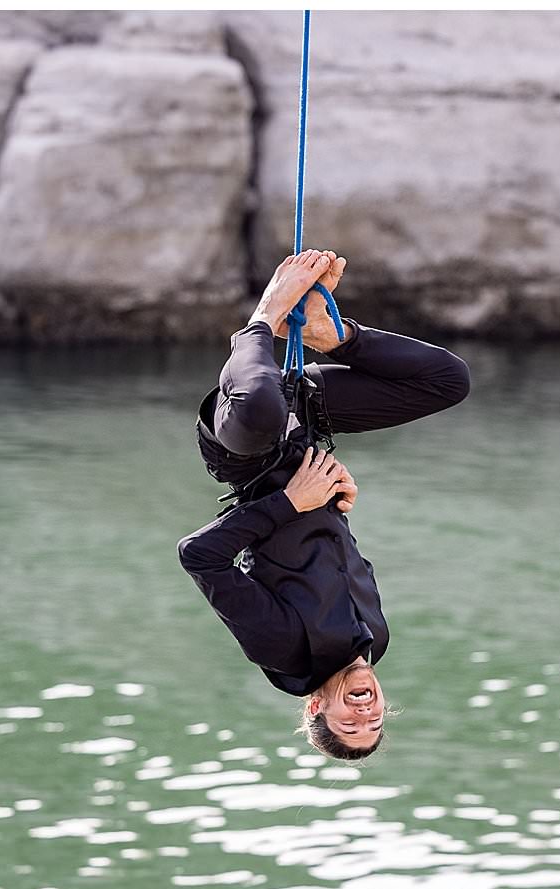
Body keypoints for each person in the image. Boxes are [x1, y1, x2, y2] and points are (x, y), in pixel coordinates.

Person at [178, 249, 471, 760]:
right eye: (374, 720)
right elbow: (334, 558)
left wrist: (292, 503)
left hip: (244, 448)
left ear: (316, 708)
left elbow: (199, 555)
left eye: (350, 722)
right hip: (307, 436)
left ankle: (264, 320)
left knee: (263, 410)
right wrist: (335, 500)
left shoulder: (285, 652)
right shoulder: (375, 640)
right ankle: (329, 334)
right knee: (448, 381)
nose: (364, 712)